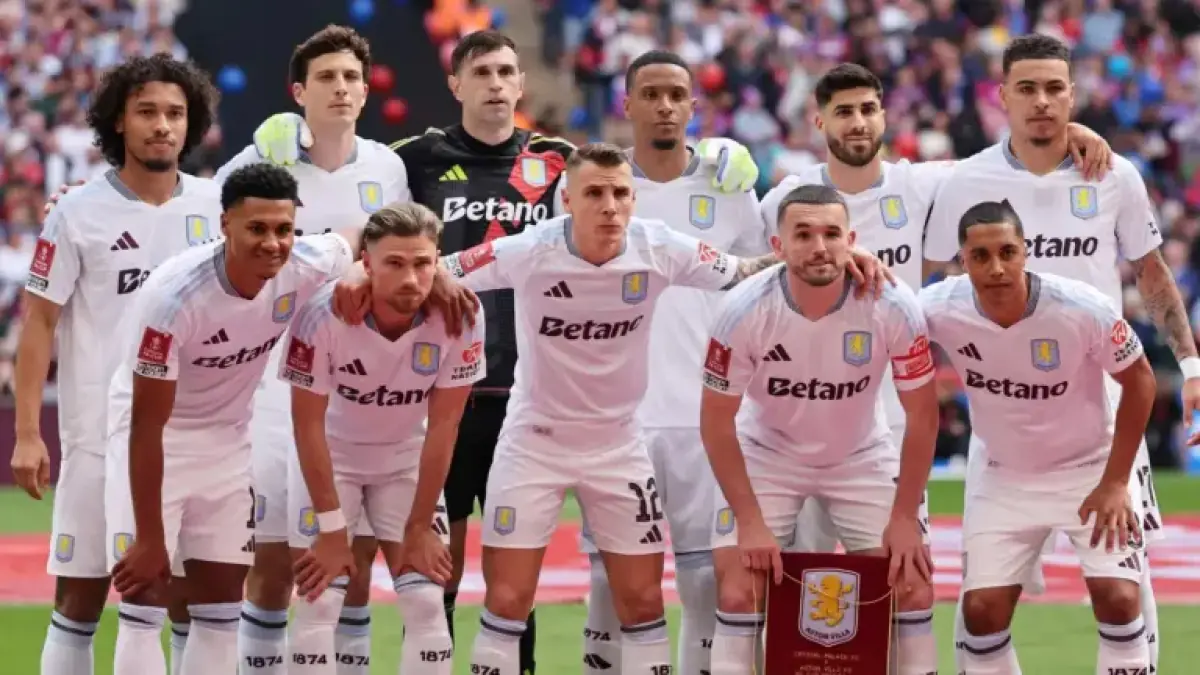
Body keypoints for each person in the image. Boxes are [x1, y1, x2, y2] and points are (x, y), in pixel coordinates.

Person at [250, 31, 760, 673]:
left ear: (521, 84)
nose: (495, 83)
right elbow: (370, 214)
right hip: (435, 390)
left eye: (507, 71)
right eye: (482, 71)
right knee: (430, 574)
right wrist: (294, 144)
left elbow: (632, 182)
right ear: (456, 85)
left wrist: (708, 152)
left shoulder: (557, 160)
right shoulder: (413, 159)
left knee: (519, 585)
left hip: (525, 388)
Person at [757, 63, 1113, 660]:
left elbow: (1008, 161)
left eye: (867, 109)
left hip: (894, 423)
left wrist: (1072, 131)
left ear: (884, 115)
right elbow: (748, 276)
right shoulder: (785, 201)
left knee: (903, 581)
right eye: (843, 112)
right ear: (819, 122)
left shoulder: (920, 184)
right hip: (803, 422)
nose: (857, 122)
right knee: (796, 589)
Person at [438, 142, 809, 675]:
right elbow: (438, 270)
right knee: (507, 601)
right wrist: (363, 274)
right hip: (534, 442)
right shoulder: (529, 249)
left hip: (617, 444)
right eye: (594, 193)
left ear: (634, 199)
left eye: (620, 194)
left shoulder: (659, 246)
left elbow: (745, 270)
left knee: (643, 604)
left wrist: (833, 257)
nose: (610, 206)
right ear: (568, 200)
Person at [924, 34, 1198, 674]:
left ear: (1073, 96)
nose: (1042, 101)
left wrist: (1189, 364)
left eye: (1054, 89)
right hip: (1005, 413)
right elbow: (930, 277)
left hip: (1103, 404)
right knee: (981, 605)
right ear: (1002, 97)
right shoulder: (966, 179)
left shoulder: (1113, 173)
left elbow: (1151, 273)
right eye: (1027, 89)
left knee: (1126, 586)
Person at [9, 54, 221, 675]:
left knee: (188, 605)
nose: (162, 125)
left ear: (192, 123)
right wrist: (27, 433)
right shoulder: (76, 211)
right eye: (147, 111)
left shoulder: (218, 207)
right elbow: (39, 323)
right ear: (120, 122)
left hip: (195, 442)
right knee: (78, 603)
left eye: (175, 113)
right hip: (98, 440)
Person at [102, 163, 357, 674]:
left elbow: (357, 234)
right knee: (145, 600)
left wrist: (358, 272)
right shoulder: (174, 298)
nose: (273, 243)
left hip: (228, 443)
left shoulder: (304, 260)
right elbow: (148, 426)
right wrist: (149, 537)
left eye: (284, 229)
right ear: (225, 225)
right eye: (256, 228)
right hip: (157, 439)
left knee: (222, 604)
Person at [214, 25, 412, 674]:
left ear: (366, 91)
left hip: (356, 387)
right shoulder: (259, 164)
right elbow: (203, 232)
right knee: (273, 567)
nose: (341, 88)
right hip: (270, 388)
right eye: (326, 77)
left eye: (352, 77)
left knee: (351, 566)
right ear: (298, 92)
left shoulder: (387, 169)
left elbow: (405, 256)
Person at [576, 50, 770, 675]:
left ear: (693, 106)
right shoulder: (594, 186)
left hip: (704, 415)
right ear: (626, 104)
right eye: (651, 94)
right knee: (609, 580)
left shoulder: (730, 187)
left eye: (676, 95)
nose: (664, 106)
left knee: (705, 582)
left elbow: (760, 288)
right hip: (616, 416)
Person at [701, 183, 939, 675]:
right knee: (740, 590)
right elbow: (716, 421)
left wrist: (904, 517)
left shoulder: (892, 302)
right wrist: (750, 521)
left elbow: (923, 415)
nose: (819, 246)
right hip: (767, 453)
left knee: (912, 585)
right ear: (777, 245)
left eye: (831, 234)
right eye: (803, 234)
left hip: (860, 454)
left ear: (850, 240)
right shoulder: (742, 310)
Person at [920, 200, 1156, 674]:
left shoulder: (1081, 307)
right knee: (981, 613)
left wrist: (1115, 483)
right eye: (980, 256)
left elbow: (1142, 381)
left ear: (1026, 251)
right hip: (1004, 475)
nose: (996, 267)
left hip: (1090, 468)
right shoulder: (937, 306)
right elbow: (879, 307)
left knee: (1119, 598)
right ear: (962, 261)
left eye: (1007, 252)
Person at [278, 202, 484, 675]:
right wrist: (332, 530)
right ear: (366, 264)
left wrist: (419, 526)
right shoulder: (321, 314)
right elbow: (307, 425)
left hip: (404, 460)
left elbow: (445, 426)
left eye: (422, 263)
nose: (411, 278)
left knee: (428, 604)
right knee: (319, 602)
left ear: (438, 262)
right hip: (332, 459)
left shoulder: (461, 316)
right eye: (394, 263)